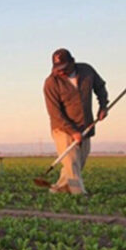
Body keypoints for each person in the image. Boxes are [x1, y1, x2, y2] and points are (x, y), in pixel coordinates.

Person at [43, 48, 108, 195]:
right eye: (58, 69)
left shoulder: (87, 70)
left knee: (78, 163)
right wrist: (73, 132)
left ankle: (59, 189)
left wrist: (103, 106)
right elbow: (55, 113)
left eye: (64, 68)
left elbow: (100, 87)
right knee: (71, 162)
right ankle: (79, 194)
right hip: (62, 128)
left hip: (85, 125)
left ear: (72, 62)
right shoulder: (51, 83)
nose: (61, 72)